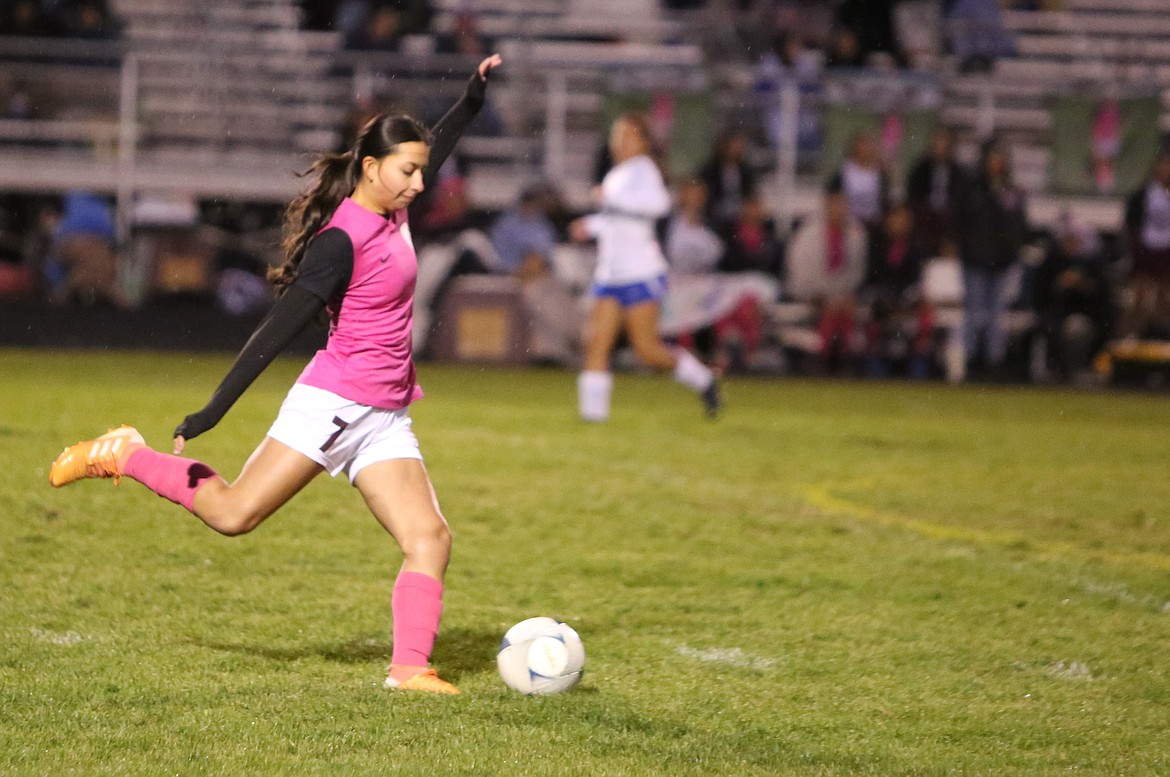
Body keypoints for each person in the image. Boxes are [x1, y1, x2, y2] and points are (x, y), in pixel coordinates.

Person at [47, 54, 504, 696]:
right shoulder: (342, 240)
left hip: (385, 414)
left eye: (421, 171)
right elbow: (276, 330)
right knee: (234, 514)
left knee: (429, 538)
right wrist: (214, 410)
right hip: (334, 404)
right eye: (408, 172)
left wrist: (471, 101)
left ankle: (409, 670)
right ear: (371, 169)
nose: (420, 185)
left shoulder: (393, 208)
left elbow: (439, 148)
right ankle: (127, 455)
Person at [569, 113, 721, 422]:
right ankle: (592, 420)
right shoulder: (618, 174)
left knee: (648, 351)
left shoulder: (645, 170)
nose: (622, 143)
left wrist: (612, 200)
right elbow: (617, 220)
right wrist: (592, 225)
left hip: (640, 272)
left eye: (629, 136)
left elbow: (659, 205)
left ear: (644, 142)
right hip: (610, 273)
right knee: (597, 342)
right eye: (618, 136)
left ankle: (703, 379)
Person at [954, 138, 1028, 378]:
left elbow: (1018, 226)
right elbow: (961, 222)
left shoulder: (1011, 191)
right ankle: (971, 361)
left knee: (997, 314)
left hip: (1001, 261)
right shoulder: (972, 187)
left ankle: (994, 363)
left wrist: (1012, 252)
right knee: (974, 312)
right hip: (975, 260)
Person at [784, 187, 868, 373]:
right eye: (836, 204)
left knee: (845, 311)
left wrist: (845, 295)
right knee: (831, 312)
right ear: (827, 205)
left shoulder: (856, 233)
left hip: (841, 297)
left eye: (843, 204)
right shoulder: (808, 233)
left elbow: (857, 272)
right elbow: (798, 271)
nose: (840, 209)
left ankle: (845, 360)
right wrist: (818, 295)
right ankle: (823, 359)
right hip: (811, 295)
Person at [1121, 147, 1170, 340]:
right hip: (1145, 252)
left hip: (1167, 254)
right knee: (1139, 300)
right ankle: (1132, 338)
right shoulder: (1143, 195)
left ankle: (1162, 337)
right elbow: (1131, 223)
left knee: (1164, 301)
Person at [905, 127, 964, 257]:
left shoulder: (957, 172)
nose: (940, 149)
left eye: (944, 145)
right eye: (937, 144)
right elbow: (913, 195)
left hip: (948, 221)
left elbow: (960, 198)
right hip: (925, 221)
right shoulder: (921, 169)